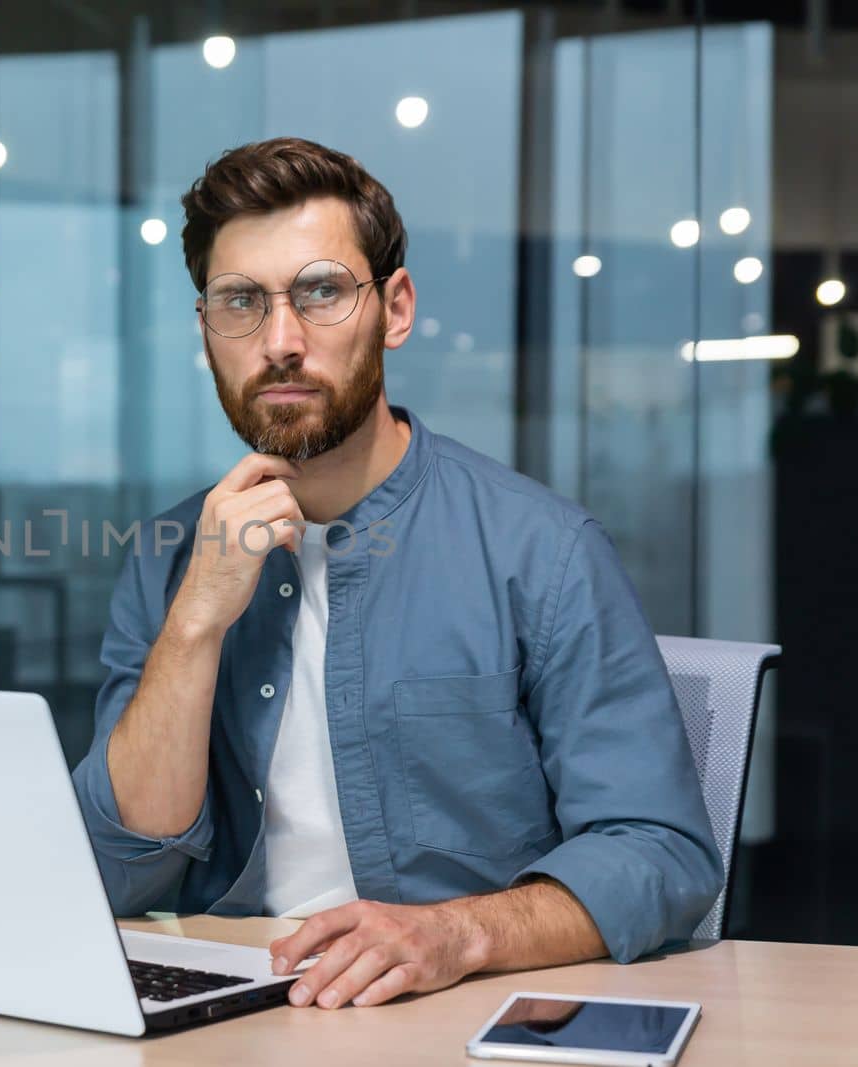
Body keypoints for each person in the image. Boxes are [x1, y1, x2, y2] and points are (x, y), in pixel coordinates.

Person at [70, 137, 722, 1011]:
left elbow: (660, 851)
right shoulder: (169, 555)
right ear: (206, 330)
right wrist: (195, 621)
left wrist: (457, 931)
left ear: (397, 307)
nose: (281, 341)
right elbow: (115, 871)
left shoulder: (544, 550)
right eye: (241, 303)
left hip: (453, 1006)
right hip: (230, 1011)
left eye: (322, 292)